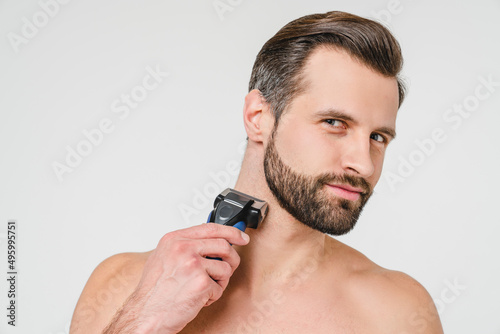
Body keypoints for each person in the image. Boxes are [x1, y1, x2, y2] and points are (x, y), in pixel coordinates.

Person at [70, 10, 443, 333]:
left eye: (378, 136)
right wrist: (142, 321)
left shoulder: (398, 312)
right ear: (258, 117)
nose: (363, 163)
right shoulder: (122, 286)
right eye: (334, 122)